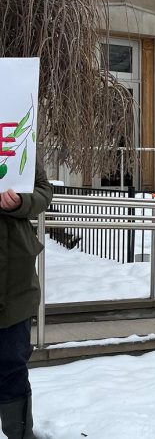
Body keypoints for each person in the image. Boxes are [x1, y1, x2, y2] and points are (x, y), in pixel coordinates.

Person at [0, 166, 53, 439]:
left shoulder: (16, 128)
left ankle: (19, 434)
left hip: (15, 284)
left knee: (12, 365)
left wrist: (21, 202)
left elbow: (44, 189)